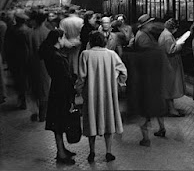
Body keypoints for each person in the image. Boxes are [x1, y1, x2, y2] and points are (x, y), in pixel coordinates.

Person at [76, 31, 127, 163]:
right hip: (108, 92)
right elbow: (123, 71)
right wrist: (118, 80)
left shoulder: (85, 54)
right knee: (108, 119)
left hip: (91, 92)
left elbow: (82, 76)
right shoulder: (111, 54)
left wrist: (79, 90)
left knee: (91, 120)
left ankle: (92, 152)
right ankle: (108, 152)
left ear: (90, 41)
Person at [128, 14, 167, 146]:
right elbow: (147, 55)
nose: (152, 25)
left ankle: (160, 129)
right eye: (150, 23)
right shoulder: (142, 37)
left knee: (151, 107)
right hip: (147, 79)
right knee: (147, 108)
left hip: (149, 78)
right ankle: (146, 138)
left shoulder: (145, 34)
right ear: (144, 25)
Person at [39, 29, 76, 165]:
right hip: (61, 93)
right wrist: (71, 95)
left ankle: (61, 149)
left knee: (58, 122)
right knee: (60, 122)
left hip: (56, 91)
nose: (64, 40)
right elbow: (64, 78)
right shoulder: (56, 57)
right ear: (59, 39)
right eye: (63, 38)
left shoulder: (51, 53)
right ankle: (61, 153)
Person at [158, 18, 187, 116]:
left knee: (168, 87)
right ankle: (171, 110)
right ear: (173, 28)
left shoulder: (165, 34)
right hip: (170, 65)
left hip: (166, 63)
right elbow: (171, 50)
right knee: (171, 88)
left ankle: (169, 108)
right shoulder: (168, 36)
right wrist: (180, 44)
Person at [28, 10, 50, 121]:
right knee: (45, 88)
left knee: (36, 87)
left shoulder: (31, 33)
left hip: (34, 63)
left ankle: (36, 111)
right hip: (45, 63)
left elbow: (29, 50)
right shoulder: (47, 32)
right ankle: (43, 114)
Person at [59, 7, 84, 77]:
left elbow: (62, 35)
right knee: (77, 61)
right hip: (78, 43)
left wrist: (67, 43)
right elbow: (82, 34)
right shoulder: (81, 21)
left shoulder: (63, 21)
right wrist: (77, 42)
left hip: (67, 43)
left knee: (69, 62)